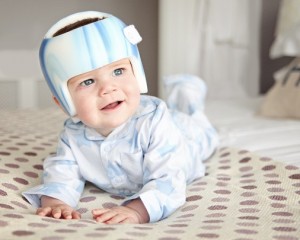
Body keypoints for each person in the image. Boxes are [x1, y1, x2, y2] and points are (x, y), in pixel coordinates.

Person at [23, 11, 219, 224]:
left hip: (187, 136)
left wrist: (137, 210)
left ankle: (187, 93)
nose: (108, 88)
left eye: (118, 71)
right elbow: (62, 173)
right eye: (87, 82)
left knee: (202, 129)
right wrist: (55, 201)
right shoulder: (72, 136)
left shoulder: (155, 122)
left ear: (137, 73)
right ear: (64, 102)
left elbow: (169, 179)